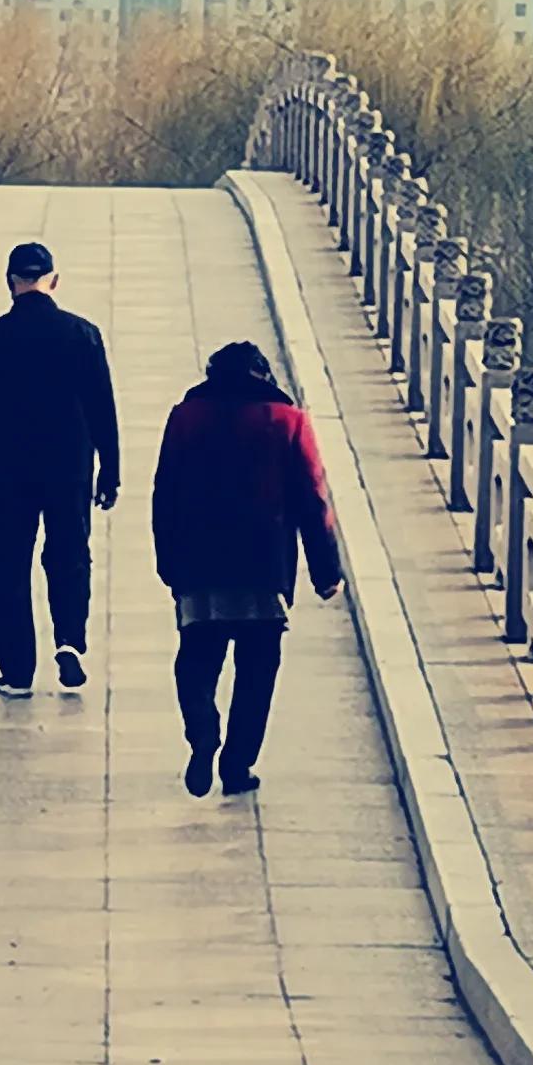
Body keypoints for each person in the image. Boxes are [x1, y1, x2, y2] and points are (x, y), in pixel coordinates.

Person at [149, 339, 343, 796]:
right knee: (257, 672)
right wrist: (325, 572)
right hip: (263, 567)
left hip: (198, 566)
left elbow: (165, 492)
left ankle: (202, 735)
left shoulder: (185, 417)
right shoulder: (287, 422)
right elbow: (313, 499)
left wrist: (167, 560)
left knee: (196, 659)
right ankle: (236, 766)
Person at [0, 240, 118, 697]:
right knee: (69, 553)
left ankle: (18, 671)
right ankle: (69, 640)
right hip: (69, 465)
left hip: (8, 467)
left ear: (10, 283)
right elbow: (103, 408)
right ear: (54, 280)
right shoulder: (82, 334)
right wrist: (111, 469)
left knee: (8, 565)